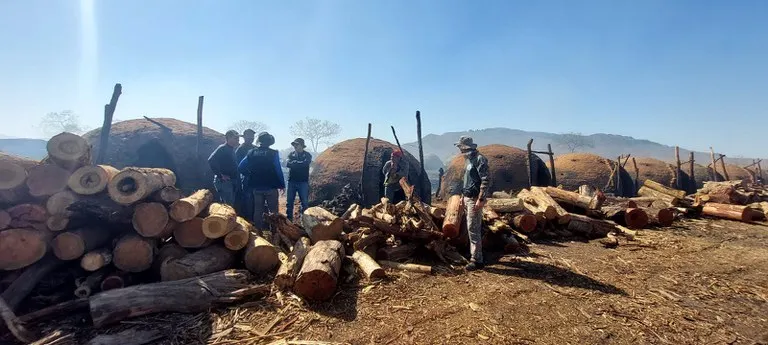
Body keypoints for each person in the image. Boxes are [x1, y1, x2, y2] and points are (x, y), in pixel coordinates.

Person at [238, 131, 285, 230]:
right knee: (273, 210)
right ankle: (275, 233)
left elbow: (241, 167)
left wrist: (249, 174)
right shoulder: (273, 153)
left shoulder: (251, 152)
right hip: (271, 187)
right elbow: (278, 169)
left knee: (258, 210)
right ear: (270, 142)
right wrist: (282, 184)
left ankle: (259, 232)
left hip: (256, 187)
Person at [455, 136, 489, 271]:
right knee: (470, 227)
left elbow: (485, 180)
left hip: (475, 198)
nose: (459, 149)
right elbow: (467, 180)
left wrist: (481, 199)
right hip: (468, 197)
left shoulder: (480, 159)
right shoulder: (468, 160)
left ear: (465, 147)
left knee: (473, 228)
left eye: (460, 147)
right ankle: (473, 254)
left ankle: (476, 260)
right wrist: (463, 196)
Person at [207, 130, 240, 205]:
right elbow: (211, 160)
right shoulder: (222, 148)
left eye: (238, 138)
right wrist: (220, 175)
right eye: (235, 138)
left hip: (231, 181)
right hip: (224, 182)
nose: (237, 140)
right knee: (228, 206)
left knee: (229, 204)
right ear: (228, 138)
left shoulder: (231, 150)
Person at [285, 138, 312, 221]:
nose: (295, 146)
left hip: (303, 182)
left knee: (304, 202)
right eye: (294, 145)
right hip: (292, 181)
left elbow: (305, 164)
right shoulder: (291, 154)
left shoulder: (307, 155)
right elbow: (288, 163)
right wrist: (299, 164)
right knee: (289, 203)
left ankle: (305, 221)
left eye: (297, 144)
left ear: (302, 146)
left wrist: (295, 163)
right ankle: (289, 220)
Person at [235, 129, 256, 220]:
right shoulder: (241, 149)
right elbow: (238, 165)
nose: (251, 138)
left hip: (256, 176)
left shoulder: (255, 148)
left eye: (252, 136)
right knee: (247, 197)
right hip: (245, 177)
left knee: (256, 198)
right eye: (249, 136)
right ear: (245, 137)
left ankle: (255, 217)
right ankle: (248, 218)